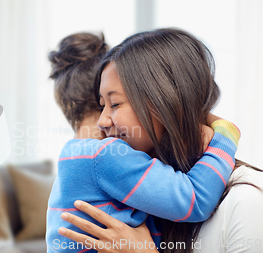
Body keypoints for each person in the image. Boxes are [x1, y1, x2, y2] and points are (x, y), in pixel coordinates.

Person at [58, 28, 263, 253]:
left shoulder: (246, 201)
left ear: (166, 102)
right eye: (101, 105)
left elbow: (196, 199)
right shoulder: (141, 192)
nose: (102, 121)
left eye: (115, 104)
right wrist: (224, 135)